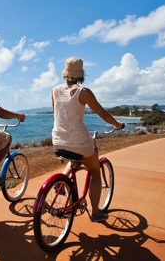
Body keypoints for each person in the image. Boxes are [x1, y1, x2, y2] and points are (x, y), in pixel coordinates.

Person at [51, 57, 124, 223]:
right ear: (80, 74)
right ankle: (96, 212)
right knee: (95, 171)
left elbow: (59, 114)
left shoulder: (54, 90)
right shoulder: (83, 92)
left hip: (58, 139)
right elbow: (104, 115)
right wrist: (117, 124)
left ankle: (61, 184)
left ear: (65, 73)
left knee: (74, 158)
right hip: (79, 141)